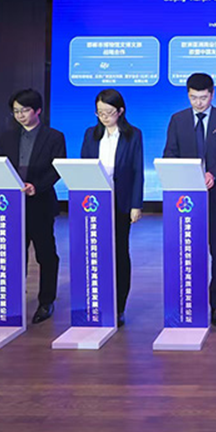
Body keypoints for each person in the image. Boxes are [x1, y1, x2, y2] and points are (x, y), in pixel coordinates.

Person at [163, 73, 216, 327]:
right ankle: (191, 301)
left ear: (212, 94)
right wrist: (187, 175)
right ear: (188, 95)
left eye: (203, 97)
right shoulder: (177, 120)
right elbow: (170, 153)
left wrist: (212, 174)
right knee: (189, 249)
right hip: (186, 198)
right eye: (194, 97)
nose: (199, 102)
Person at [0, 89, 66, 324]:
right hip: (13, 204)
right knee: (16, 254)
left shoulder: (54, 136)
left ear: (38, 110)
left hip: (40, 202)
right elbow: (0, 165)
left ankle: (46, 301)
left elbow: (57, 168)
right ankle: (14, 298)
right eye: (16, 111)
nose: (20, 115)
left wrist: (37, 186)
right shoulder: (7, 137)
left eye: (24, 110)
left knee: (46, 254)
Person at [80, 89, 143, 327]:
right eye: (100, 113)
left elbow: (137, 171)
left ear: (121, 111)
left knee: (119, 252)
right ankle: (96, 302)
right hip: (94, 203)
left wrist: (136, 204)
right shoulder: (91, 134)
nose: (104, 117)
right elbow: (83, 166)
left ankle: (119, 306)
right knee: (95, 252)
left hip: (120, 201)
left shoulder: (133, 134)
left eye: (109, 112)